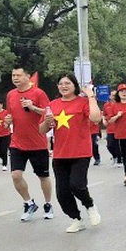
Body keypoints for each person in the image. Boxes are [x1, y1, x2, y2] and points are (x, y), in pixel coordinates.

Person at [43, 74, 103, 232]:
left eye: (67, 83)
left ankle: (89, 205)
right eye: (60, 83)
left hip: (80, 152)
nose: (64, 86)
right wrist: (46, 122)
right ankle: (76, 219)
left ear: (74, 85)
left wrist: (90, 96)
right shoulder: (53, 104)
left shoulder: (83, 102)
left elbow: (96, 118)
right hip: (60, 154)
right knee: (62, 193)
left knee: (76, 185)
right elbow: (42, 130)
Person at [5, 65, 55, 221]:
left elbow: (49, 112)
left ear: (27, 76)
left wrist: (33, 107)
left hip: (37, 142)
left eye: (19, 75)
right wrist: (8, 120)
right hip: (17, 142)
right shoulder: (11, 95)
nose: (15, 78)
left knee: (43, 176)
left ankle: (48, 204)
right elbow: (10, 114)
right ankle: (28, 202)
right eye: (13, 75)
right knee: (15, 175)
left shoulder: (38, 93)